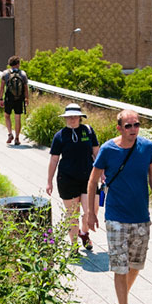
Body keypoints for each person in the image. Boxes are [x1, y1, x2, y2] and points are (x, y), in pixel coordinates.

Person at [83, 109, 152, 304]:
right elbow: (92, 181)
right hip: (116, 217)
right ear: (119, 128)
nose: (133, 130)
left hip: (141, 216)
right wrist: (91, 212)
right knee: (120, 266)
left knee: (136, 265)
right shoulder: (108, 149)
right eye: (128, 126)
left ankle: (122, 298)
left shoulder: (147, 148)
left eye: (136, 125)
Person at [46, 103, 98, 250]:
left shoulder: (88, 131)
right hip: (67, 179)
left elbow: (96, 152)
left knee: (91, 211)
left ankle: (84, 232)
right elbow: (54, 159)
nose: (72, 119)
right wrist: (49, 181)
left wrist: (103, 173)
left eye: (75, 116)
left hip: (88, 177)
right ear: (65, 118)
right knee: (72, 215)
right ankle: (74, 245)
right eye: (69, 116)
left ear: (80, 117)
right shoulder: (59, 136)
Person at [0, 56, 30, 145]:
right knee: (17, 118)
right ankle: (17, 138)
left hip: (9, 98)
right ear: (18, 64)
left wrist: (1, 98)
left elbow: (2, 87)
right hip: (19, 99)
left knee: (7, 116)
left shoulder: (5, 73)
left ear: (10, 64)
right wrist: (26, 98)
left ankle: (10, 134)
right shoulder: (23, 74)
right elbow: (25, 88)